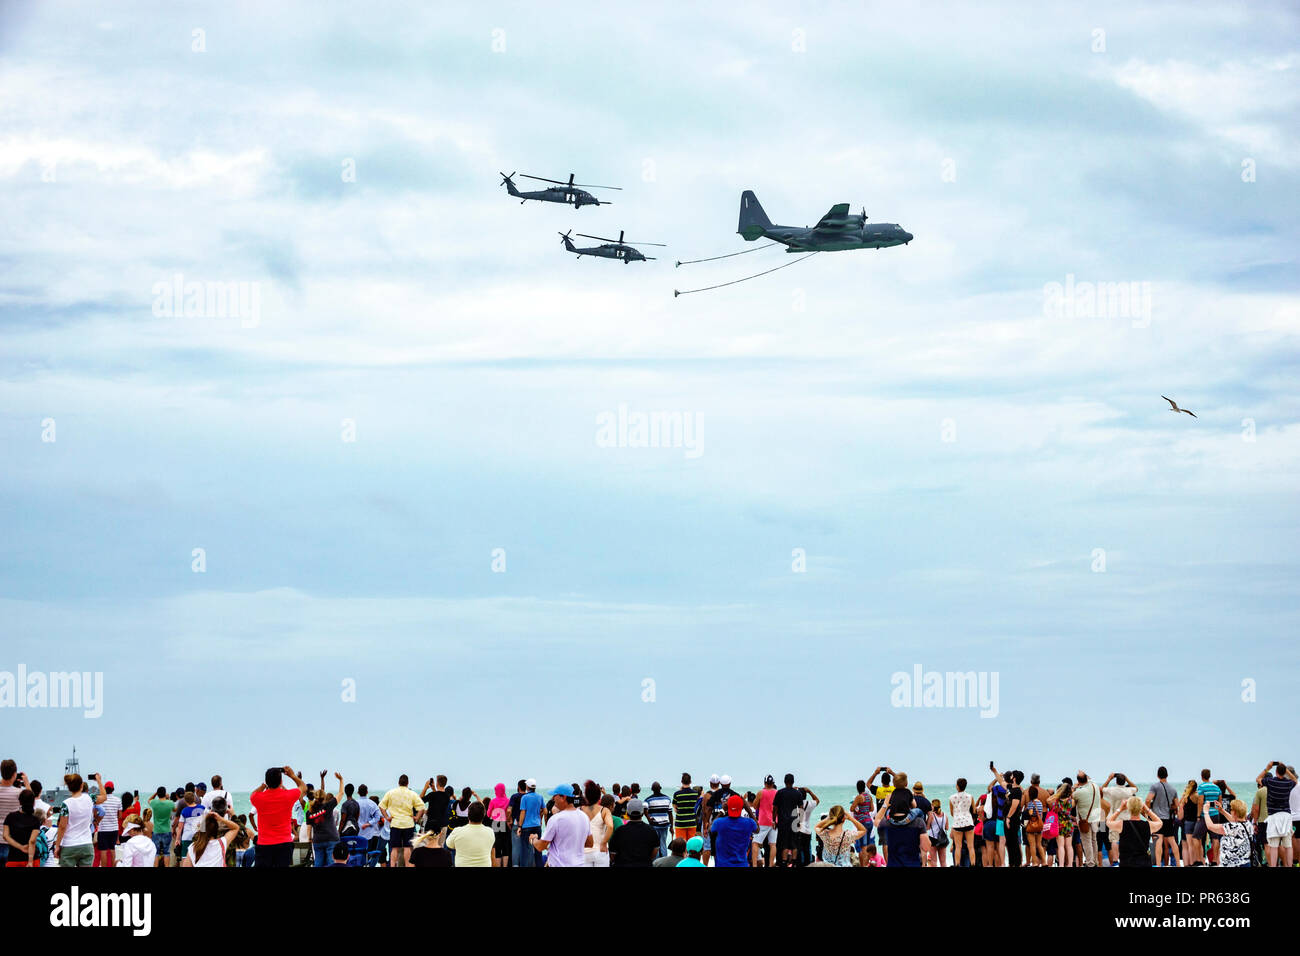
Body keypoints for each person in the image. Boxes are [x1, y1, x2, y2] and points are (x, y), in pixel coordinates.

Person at [249, 765, 307, 868]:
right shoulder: (288, 796)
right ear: (281, 782)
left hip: (264, 844)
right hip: (284, 844)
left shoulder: (258, 798)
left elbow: (254, 794)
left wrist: (263, 786)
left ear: (267, 781)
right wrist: (292, 776)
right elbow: (303, 787)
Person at [531, 785, 591, 867]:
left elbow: (541, 846)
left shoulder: (556, 819)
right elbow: (590, 843)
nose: (553, 798)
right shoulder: (584, 817)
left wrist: (533, 839)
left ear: (563, 797)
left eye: (555, 795)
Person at [1255, 760, 1296, 867]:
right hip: (1286, 816)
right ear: (1284, 772)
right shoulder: (1288, 783)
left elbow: (1258, 779)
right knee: (1288, 845)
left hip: (1274, 816)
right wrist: (1286, 769)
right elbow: (1295, 780)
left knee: (1273, 846)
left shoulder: (1271, 781)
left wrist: (1267, 768)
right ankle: (1289, 865)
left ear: (1276, 772)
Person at [380, 773, 424, 867]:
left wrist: (387, 817)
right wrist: (417, 818)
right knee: (407, 848)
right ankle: (408, 865)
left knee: (394, 848)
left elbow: (381, 806)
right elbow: (422, 807)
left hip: (395, 823)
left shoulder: (391, 792)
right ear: (408, 783)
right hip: (408, 824)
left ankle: (392, 866)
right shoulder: (412, 793)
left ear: (398, 783)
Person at [1106, 796, 1161, 867]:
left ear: (1128, 808)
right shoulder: (1148, 825)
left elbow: (1108, 822)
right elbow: (1159, 822)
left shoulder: (1122, 824)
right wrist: (1147, 810)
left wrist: (1120, 809)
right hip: (1144, 863)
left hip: (1126, 862)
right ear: (1141, 808)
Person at [53, 772, 94, 867]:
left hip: (69, 845)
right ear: (82, 785)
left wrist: (57, 846)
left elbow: (62, 827)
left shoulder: (66, 804)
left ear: (69, 787)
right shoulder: (89, 798)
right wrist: (99, 781)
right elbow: (104, 797)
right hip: (87, 844)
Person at [873, 798, 926, 867]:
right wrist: (924, 864)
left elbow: (877, 820)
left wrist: (885, 804)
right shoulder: (917, 823)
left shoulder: (888, 823)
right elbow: (924, 847)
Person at [608, 798, 661, 866]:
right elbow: (654, 853)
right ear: (642, 813)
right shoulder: (651, 831)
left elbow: (612, 854)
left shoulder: (619, 831)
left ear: (628, 813)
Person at [1201, 798, 1252, 867]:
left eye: (1231, 810)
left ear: (1234, 812)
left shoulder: (1231, 827)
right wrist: (1222, 810)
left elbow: (1210, 826)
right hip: (1245, 862)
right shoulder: (1248, 825)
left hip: (1232, 864)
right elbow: (1235, 821)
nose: (1230, 811)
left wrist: (1206, 812)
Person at [444, 801, 494, 866]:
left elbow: (449, 845)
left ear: (468, 814)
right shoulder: (490, 832)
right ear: (483, 815)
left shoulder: (457, 831)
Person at [1146, 767, 1178, 867]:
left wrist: (1148, 812)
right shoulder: (1173, 789)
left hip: (1157, 819)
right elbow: (1176, 805)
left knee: (1158, 842)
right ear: (1167, 775)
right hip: (1168, 818)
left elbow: (1148, 800)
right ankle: (1178, 864)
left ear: (1157, 775)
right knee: (1172, 842)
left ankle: (1159, 865)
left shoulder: (1154, 786)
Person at [2, 788, 41, 867]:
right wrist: (30, 862)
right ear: (33, 803)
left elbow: (5, 836)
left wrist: (21, 847)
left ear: (20, 802)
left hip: (13, 858)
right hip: (32, 859)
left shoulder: (10, 817)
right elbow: (32, 841)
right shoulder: (35, 820)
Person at [1072, 771, 1101, 866]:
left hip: (1085, 821)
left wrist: (1073, 788)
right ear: (1087, 779)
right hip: (1096, 818)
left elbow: (1071, 803)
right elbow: (1090, 779)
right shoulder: (1095, 786)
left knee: (1086, 842)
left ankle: (1090, 863)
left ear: (1078, 781)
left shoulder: (1078, 792)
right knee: (1094, 840)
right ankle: (1095, 861)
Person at [1046, 780, 1076, 868]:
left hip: (1059, 824)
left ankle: (1061, 865)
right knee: (1069, 846)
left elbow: (1048, 800)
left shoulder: (1056, 801)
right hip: (1069, 824)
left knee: (1060, 846)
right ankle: (1070, 864)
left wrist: (1058, 793)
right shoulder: (1072, 801)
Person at [751, 774, 779, 867]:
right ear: (773, 783)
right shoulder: (777, 792)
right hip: (774, 821)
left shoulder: (761, 792)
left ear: (765, 783)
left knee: (755, 843)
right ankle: (771, 865)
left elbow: (754, 806)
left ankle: (754, 865)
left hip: (763, 821)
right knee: (773, 844)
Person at [1195, 769, 1223, 864]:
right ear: (1209, 776)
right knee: (1215, 838)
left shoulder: (1201, 787)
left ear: (1202, 776)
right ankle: (1215, 860)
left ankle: (1200, 859)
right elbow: (1220, 802)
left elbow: (1200, 802)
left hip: (1205, 815)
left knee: (1196, 837)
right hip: (1215, 814)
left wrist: (1198, 816)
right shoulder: (1216, 788)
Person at [516, 779, 544, 868]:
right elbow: (545, 810)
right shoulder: (540, 797)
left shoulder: (524, 797)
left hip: (526, 826)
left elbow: (523, 812)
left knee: (525, 850)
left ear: (527, 787)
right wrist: (539, 818)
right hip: (537, 826)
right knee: (538, 850)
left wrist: (519, 826)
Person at [948, 777, 975, 867]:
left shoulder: (951, 798)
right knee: (971, 847)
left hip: (957, 823)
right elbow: (973, 810)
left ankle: (957, 865)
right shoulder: (970, 797)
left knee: (958, 847)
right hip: (968, 822)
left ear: (957, 786)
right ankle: (973, 864)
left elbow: (952, 813)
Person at [145, 786, 174, 868]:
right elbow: (175, 809)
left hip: (156, 831)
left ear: (158, 794)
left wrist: (155, 793)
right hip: (167, 831)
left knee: (156, 853)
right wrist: (168, 799)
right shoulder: (170, 803)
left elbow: (149, 800)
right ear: (165, 793)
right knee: (166, 852)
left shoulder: (154, 803)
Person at [644, 781, 672, 857]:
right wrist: (671, 826)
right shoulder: (667, 799)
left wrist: (649, 819)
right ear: (660, 788)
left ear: (652, 789)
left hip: (654, 825)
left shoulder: (648, 799)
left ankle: (656, 863)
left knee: (655, 845)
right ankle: (664, 861)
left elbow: (644, 809)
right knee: (663, 844)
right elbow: (670, 813)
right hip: (665, 825)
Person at [794, 786, 820, 866]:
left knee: (798, 851)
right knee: (806, 851)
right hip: (807, 831)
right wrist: (809, 791)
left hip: (796, 830)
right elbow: (817, 800)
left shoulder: (794, 803)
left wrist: (792, 790)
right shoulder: (809, 804)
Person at [671, 773, 698, 843]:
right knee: (691, 845)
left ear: (681, 781)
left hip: (680, 822)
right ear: (690, 781)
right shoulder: (695, 793)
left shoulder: (677, 794)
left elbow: (675, 806)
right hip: (691, 822)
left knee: (681, 845)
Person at [927, 798, 949, 866]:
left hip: (933, 839)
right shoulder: (945, 815)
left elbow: (927, 827)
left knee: (933, 860)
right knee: (943, 861)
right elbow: (947, 828)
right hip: (942, 839)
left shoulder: (931, 815)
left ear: (933, 806)